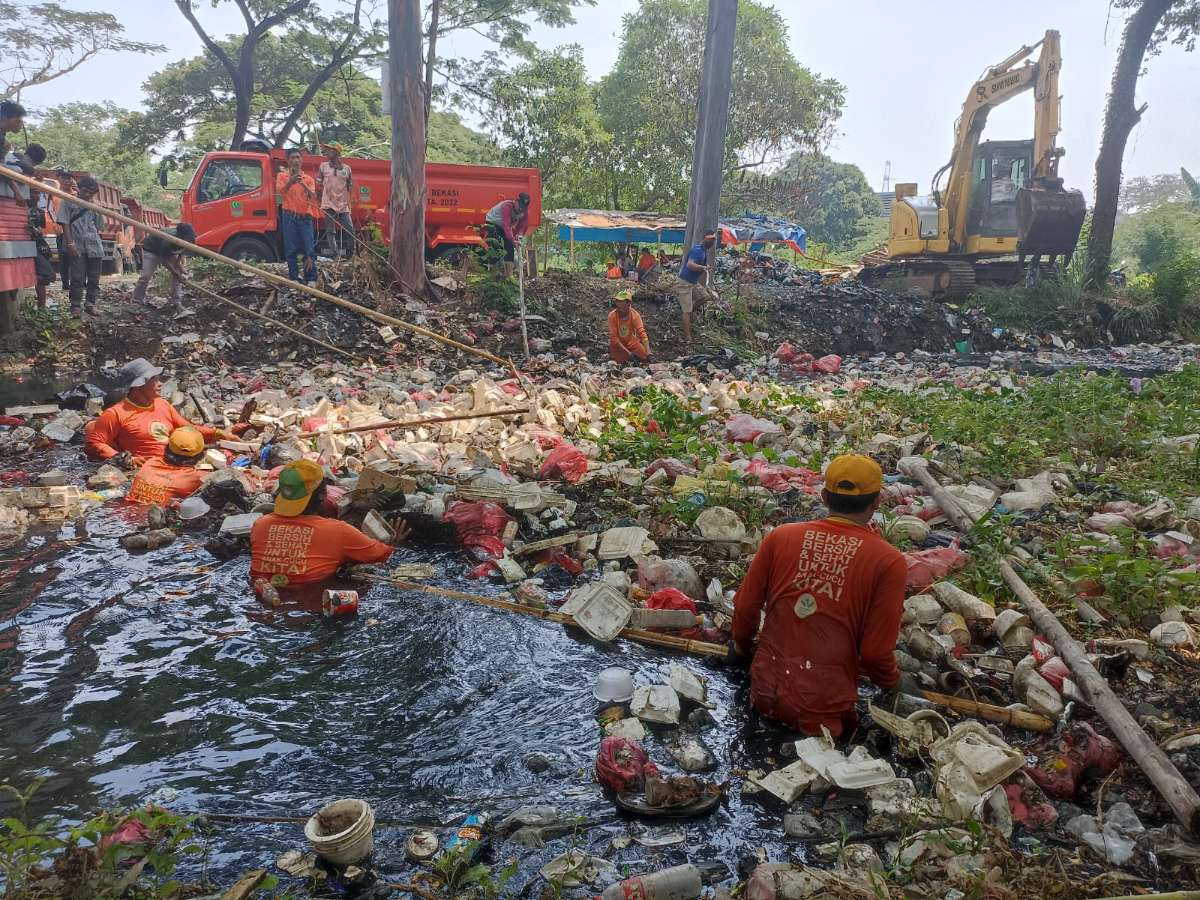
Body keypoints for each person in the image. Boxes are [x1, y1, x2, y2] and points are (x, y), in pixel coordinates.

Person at [730, 454, 906, 738]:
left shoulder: (781, 536)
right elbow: (875, 654)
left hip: (764, 693)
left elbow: (746, 606)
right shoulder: (889, 561)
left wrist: (740, 649)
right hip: (823, 714)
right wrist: (895, 685)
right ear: (876, 502)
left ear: (824, 497)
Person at [250, 459, 412, 586]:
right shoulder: (338, 531)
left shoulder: (260, 525)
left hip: (264, 595)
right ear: (322, 495)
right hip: (313, 601)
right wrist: (397, 544)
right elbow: (386, 556)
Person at [86, 358, 227, 467]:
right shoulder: (115, 413)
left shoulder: (163, 404)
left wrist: (217, 434)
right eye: (154, 380)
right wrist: (127, 459)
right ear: (138, 386)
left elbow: (187, 428)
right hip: (144, 469)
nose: (160, 384)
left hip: (174, 461)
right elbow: (95, 443)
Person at [125, 426, 206, 505]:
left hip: (126, 512)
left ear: (167, 447)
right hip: (156, 516)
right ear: (201, 455)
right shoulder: (196, 478)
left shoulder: (151, 462)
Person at [59, 175, 104, 317]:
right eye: (85, 191)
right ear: (78, 188)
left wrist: (96, 208)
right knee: (77, 277)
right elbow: (64, 223)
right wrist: (70, 243)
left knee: (94, 278)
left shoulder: (94, 206)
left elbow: (99, 226)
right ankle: (75, 306)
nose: (87, 195)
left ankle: (90, 304)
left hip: (94, 246)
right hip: (76, 244)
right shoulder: (68, 201)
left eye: (91, 193)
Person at [275, 148, 318, 284]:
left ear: (302, 160)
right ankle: (294, 277)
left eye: (298, 157)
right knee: (291, 249)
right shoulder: (282, 176)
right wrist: (291, 181)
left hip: (305, 218)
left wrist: (302, 183)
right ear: (288, 161)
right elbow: (280, 193)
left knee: (309, 249)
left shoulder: (309, 179)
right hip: (289, 217)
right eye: (293, 158)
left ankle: (311, 278)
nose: (296, 160)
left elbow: (313, 196)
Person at [132, 222, 197, 307]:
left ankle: (176, 302)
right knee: (146, 276)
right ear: (180, 236)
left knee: (178, 274)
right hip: (152, 249)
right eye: (187, 238)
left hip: (169, 252)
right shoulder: (168, 240)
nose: (189, 240)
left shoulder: (190, 237)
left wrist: (178, 265)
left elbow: (184, 250)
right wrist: (176, 273)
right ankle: (136, 301)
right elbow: (163, 260)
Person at [674, 232, 717, 347]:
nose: (712, 241)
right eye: (710, 239)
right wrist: (703, 267)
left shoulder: (704, 251)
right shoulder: (698, 250)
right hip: (685, 283)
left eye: (714, 239)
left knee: (705, 297)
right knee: (686, 311)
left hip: (693, 283)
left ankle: (689, 312)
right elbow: (690, 265)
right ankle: (687, 336)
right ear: (704, 238)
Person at [316, 143, 354, 259]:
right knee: (330, 231)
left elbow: (349, 187)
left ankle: (351, 254)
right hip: (328, 203)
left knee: (350, 229)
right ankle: (335, 254)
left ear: (338, 152)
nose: (328, 152)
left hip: (343, 204)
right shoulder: (323, 166)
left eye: (331, 150)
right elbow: (318, 182)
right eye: (327, 150)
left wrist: (348, 202)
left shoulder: (347, 169)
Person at [484, 191, 531, 279]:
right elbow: (506, 225)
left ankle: (509, 277)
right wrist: (513, 241)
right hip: (493, 222)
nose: (521, 209)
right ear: (515, 201)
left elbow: (523, 226)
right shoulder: (506, 206)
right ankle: (493, 274)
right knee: (495, 244)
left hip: (505, 226)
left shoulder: (524, 212)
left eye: (523, 207)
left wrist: (519, 236)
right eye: (520, 206)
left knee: (509, 248)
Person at [608, 289, 650, 365]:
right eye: (617, 301)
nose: (618, 304)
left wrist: (649, 353)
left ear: (628, 303)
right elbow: (614, 338)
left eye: (621, 301)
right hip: (618, 346)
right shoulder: (612, 316)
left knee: (644, 357)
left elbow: (642, 333)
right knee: (620, 362)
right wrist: (628, 353)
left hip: (631, 343)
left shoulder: (634, 315)